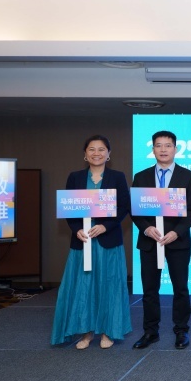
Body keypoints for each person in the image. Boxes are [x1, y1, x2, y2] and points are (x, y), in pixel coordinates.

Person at [51, 135, 131, 349]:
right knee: (83, 287)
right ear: (85, 154)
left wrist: (106, 226)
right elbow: (69, 208)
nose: (97, 153)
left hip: (107, 242)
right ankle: (86, 332)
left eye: (101, 149)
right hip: (83, 242)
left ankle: (108, 331)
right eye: (92, 149)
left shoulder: (117, 177)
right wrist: (76, 229)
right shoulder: (75, 177)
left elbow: (124, 207)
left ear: (109, 154)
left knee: (109, 286)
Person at [131, 130, 191, 350]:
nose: (163, 149)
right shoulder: (141, 177)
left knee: (181, 288)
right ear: (153, 149)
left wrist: (176, 232)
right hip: (150, 241)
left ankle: (181, 330)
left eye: (168, 145)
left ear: (175, 149)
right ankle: (150, 331)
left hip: (177, 241)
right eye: (158, 145)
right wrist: (146, 228)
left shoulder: (188, 176)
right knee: (150, 289)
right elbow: (135, 210)